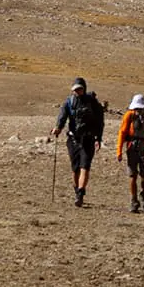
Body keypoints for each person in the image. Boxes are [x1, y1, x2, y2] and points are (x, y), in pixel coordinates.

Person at [50, 77, 104, 207]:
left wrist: (98, 138)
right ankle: (77, 191)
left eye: (80, 89)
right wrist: (58, 128)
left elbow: (100, 123)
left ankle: (80, 193)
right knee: (75, 169)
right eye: (75, 89)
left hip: (88, 139)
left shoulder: (93, 103)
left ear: (84, 89)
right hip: (73, 139)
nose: (77, 91)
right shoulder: (69, 102)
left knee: (84, 166)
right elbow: (62, 117)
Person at [116, 94, 144, 213]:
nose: (138, 110)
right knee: (132, 175)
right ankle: (133, 201)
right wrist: (119, 150)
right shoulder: (129, 116)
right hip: (131, 148)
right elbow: (122, 132)